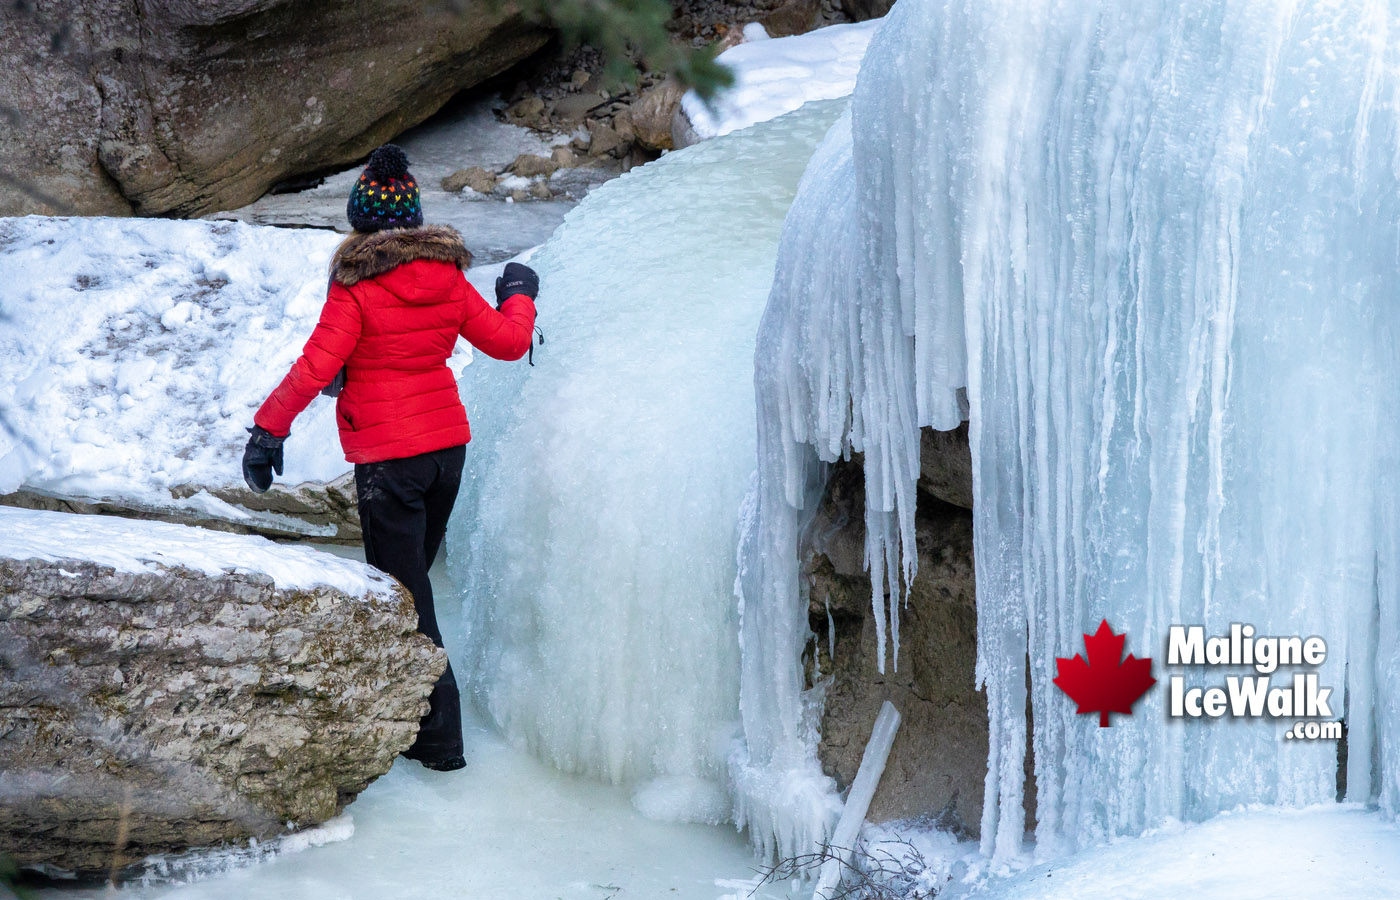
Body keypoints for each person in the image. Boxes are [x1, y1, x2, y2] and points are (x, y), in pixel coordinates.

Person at [241, 144, 539, 772]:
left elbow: (316, 364)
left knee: (406, 603)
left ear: (360, 223)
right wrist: (518, 292)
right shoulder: (449, 278)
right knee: (414, 590)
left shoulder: (355, 286)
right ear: (414, 219)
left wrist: (269, 431)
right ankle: (414, 717)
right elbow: (511, 344)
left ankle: (438, 744)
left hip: (389, 461)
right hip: (445, 454)